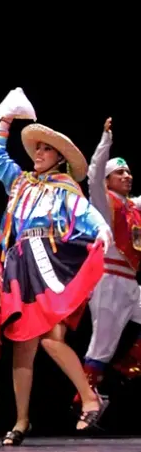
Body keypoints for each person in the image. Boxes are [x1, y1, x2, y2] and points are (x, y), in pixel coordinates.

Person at [0, 113, 113, 445]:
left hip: (54, 262)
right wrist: (5, 123)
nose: (38, 154)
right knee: (23, 346)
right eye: (37, 149)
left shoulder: (64, 188)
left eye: (46, 150)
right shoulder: (21, 181)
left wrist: (101, 230)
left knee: (51, 340)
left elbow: (84, 213)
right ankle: (21, 420)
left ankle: (89, 396)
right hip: (22, 266)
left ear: (59, 157)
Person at [83, 117, 141, 389]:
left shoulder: (134, 207)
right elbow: (94, 174)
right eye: (120, 173)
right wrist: (105, 141)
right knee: (101, 346)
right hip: (108, 281)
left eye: (129, 172)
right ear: (108, 181)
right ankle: (86, 401)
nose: (127, 176)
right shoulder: (102, 204)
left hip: (131, 283)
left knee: (104, 348)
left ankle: (128, 368)